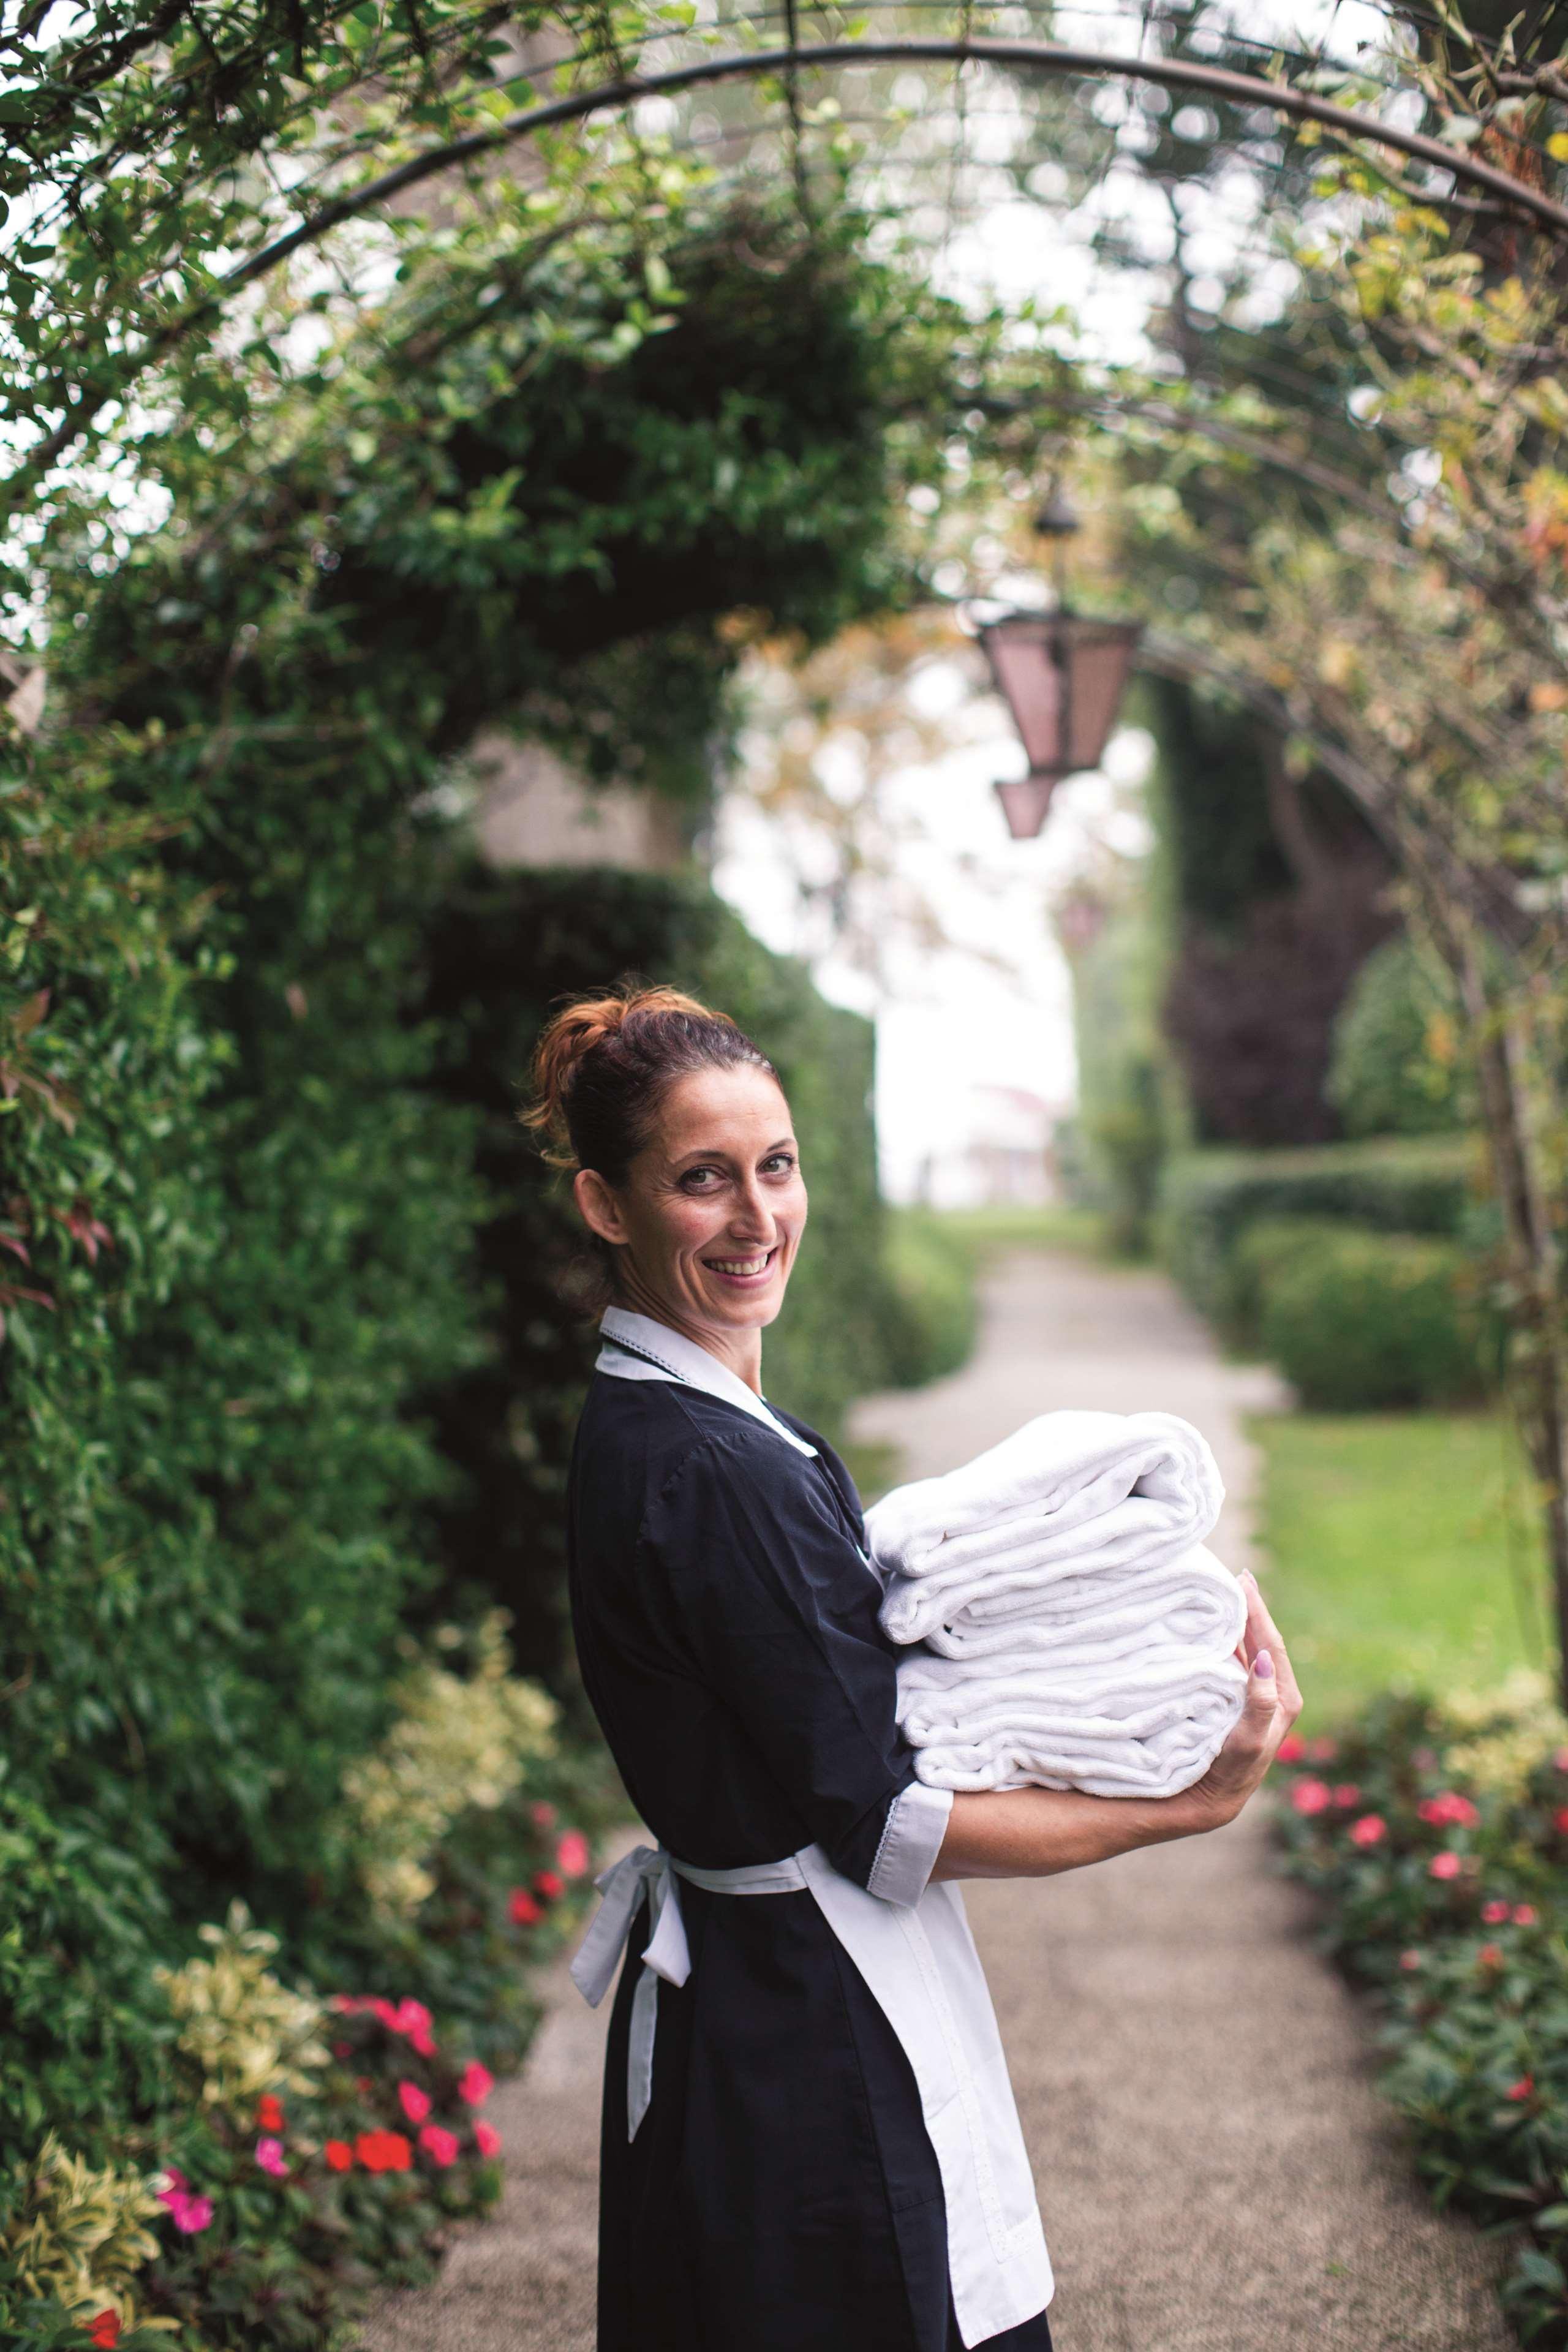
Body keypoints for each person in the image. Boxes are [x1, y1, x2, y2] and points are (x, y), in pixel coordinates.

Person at [529, 984, 1302, 2352]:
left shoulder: (667, 1418)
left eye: (776, 1166)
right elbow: (890, 1821)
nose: (758, 1217)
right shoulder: (710, 1469)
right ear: (607, 1205)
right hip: (809, 2041)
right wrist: (1187, 1803)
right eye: (700, 1181)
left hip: (746, 2015)